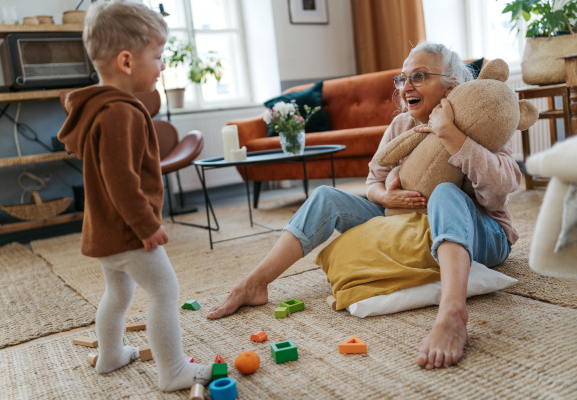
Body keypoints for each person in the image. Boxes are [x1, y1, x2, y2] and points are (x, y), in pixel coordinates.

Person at [207, 42, 521, 370]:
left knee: (444, 191)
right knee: (326, 197)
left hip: (483, 233)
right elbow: (373, 180)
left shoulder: (480, 119)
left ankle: (453, 313)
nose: (406, 87)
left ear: (452, 84)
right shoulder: (402, 126)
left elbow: (500, 192)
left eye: (419, 76)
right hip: (408, 221)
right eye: (402, 79)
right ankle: (255, 282)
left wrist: (452, 136)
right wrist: (384, 197)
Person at [58, 0, 212, 391]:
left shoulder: (95, 107)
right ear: (126, 62)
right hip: (129, 231)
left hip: (106, 231)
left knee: (118, 292)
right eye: (158, 57)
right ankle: (173, 369)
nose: (162, 66)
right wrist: (147, 225)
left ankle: (110, 355)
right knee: (165, 291)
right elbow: (121, 180)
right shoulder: (120, 112)